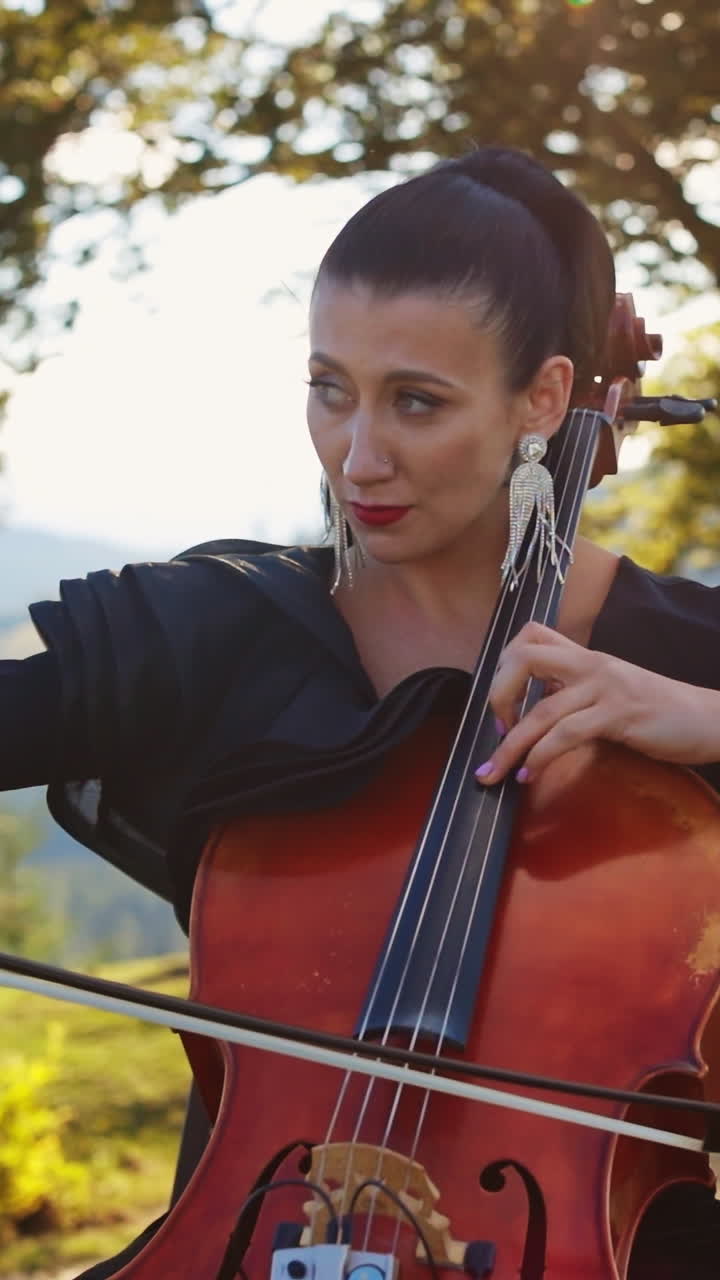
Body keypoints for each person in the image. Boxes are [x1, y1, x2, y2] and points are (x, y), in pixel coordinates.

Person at [2, 145, 720, 1278]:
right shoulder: (224, 633)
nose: (358, 454)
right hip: (258, 1236)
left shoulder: (683, 659)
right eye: (330, 388)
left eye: (416, 402)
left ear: (544, 398)